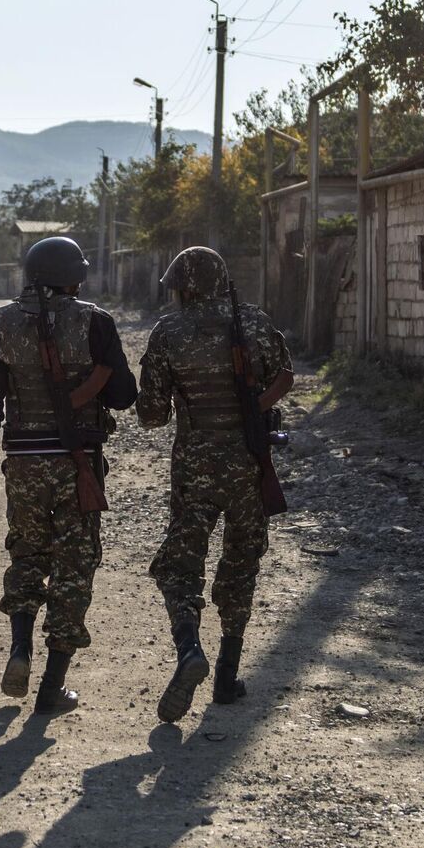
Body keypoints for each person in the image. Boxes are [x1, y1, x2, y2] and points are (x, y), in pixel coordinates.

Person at [0, 236, 137, 716]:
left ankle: (20, 648)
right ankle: (52, 686)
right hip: (77, 461)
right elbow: (124, 395)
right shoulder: (96, 322)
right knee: (74, 567)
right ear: (73, 277)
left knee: (26, 554)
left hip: (22, 462)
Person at [136, 246, 293, 723]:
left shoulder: (168, 332)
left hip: (194, 468)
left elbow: (151, 415)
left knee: (179, 565)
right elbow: (284, 376)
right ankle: (226, 675)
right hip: (248, 462)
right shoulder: (256, 322)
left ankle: (188, 651)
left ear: (183, 287)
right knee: (241, 562)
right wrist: (254, 407)